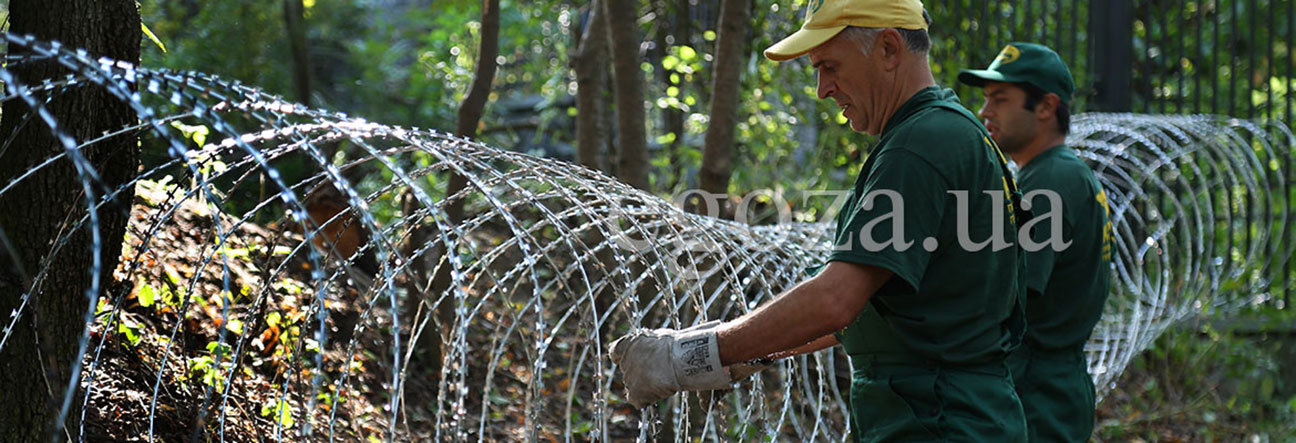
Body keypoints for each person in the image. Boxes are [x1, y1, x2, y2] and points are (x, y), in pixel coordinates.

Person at [610, 1, 1031, 441]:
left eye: (830, 66)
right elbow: (860, 310)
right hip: (952, 413)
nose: (822, 89)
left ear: (888, 49)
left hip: (939, 420)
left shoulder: (920, 147)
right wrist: (730, 353)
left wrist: (683, 358)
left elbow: (836, 300)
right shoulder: (948, 133)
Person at [959, 43, 1113, 442]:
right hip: (1049, 387)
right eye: (986, 99)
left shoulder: (1051, 181)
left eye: (1000, 99)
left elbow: (1006, 291)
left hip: (1037, 394)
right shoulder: (1056, 174)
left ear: (1045, 107)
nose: (984, 112)